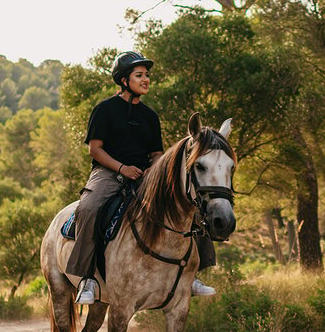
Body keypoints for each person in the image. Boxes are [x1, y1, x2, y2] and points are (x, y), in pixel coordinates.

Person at [67, 51, 217, 305]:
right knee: (89, 208)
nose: (146, 79)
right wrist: (122, 168)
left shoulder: (150, 116)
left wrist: (154, 170)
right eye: (139, 75)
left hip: (146, 176)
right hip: (108, 173)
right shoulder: (104, 110)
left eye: (147, 75)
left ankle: (190, 275)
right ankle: (87, 278)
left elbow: (157, 154)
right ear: (124, 81)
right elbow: (95, 149)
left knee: (192, 204)